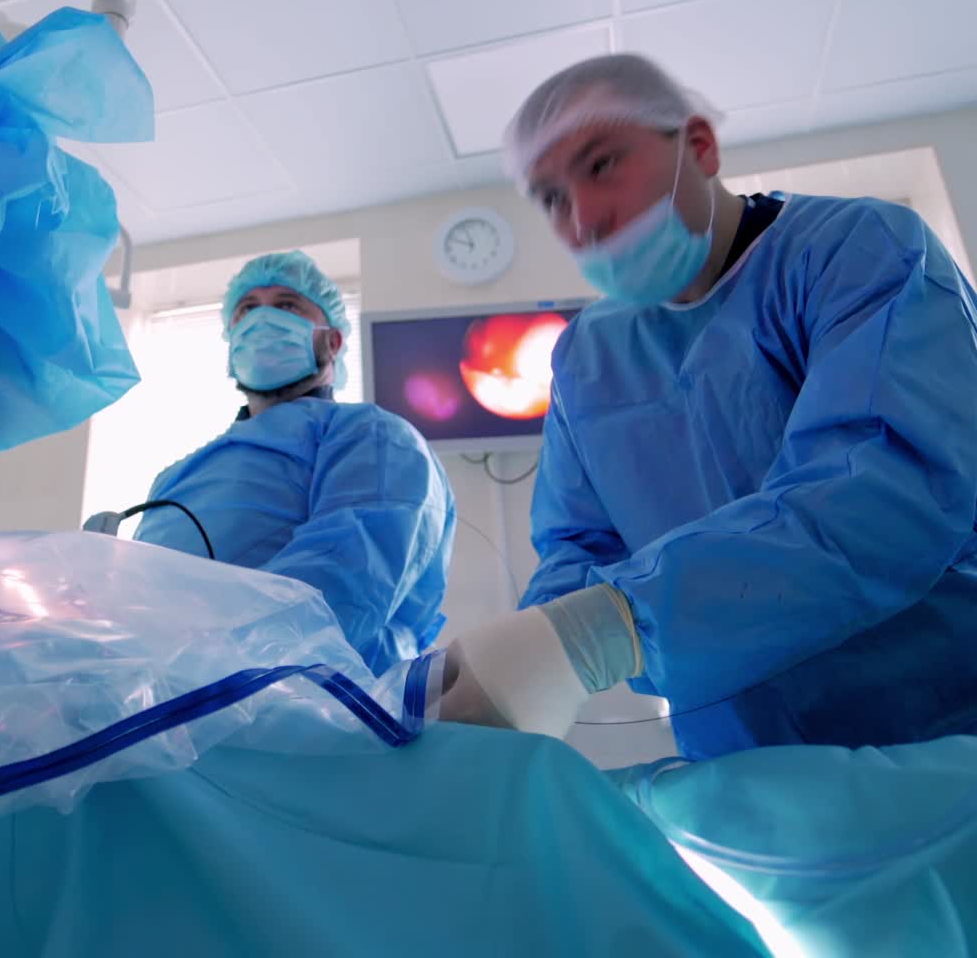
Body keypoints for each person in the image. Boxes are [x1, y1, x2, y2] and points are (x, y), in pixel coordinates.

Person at [440, 53, 977, 759]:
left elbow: (886, 490)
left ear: (699, 147)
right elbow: (578, 544)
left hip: (937, 716)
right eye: (550, 199)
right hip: (740, 755)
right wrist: (516, 661)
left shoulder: (858, 253)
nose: (583, 221)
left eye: (602, 166)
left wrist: (609, 627)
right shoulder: (585, 356)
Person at [134, 250, 456, 676]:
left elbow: (336, 588)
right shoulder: (176, 475)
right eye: (247, 309)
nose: (262, 320)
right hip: (161, 698)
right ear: (232, 344)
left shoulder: (372, 438)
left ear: (333, 339)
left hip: (303, 706)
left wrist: (195, 664)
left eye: (287, 305)